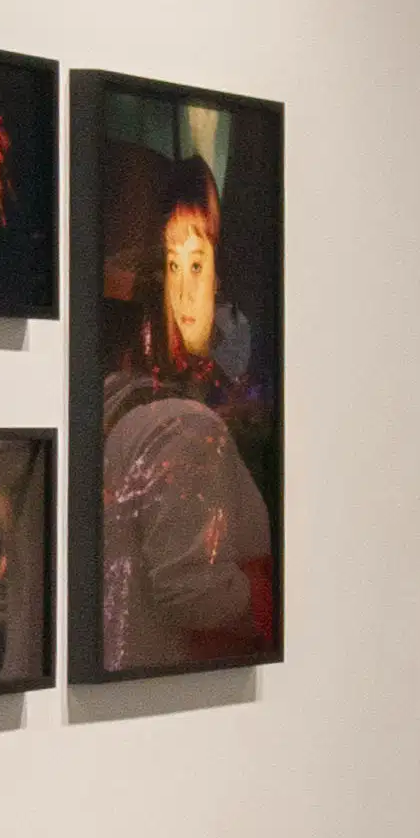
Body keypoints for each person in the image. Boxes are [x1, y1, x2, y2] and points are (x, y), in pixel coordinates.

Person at [99, 156, 274, 669]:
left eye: (196, 264)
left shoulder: (122, 398)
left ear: (220, 271)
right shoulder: (182, 424)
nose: (183, 292)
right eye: (171, 266)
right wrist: (267, 595)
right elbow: (192, 590)